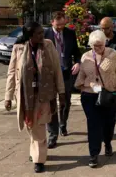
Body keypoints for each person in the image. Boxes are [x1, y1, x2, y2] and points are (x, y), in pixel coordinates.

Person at [5, 22, 65, 173]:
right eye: (38, 33)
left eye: (41, 32)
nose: (41, 35)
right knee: (31, 126)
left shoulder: (48, 45)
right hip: (26, 97)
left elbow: (56, 68)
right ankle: (36, 151)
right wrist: (8, 96)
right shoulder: (18, 49)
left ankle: (39, 160)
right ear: (29, 36)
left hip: (44, 95)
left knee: (39, 127)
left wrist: (61, 92)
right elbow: (12, 73)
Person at [74, 30, 116, 167]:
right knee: (93, 124)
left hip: (109, 95)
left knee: (108, 123)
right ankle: (94, 154)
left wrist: (115, 90)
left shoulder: (113, 55)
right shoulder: (85, 56)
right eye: (94, 46)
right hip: (89, 96)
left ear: (105, 43)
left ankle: (108, 142)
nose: (97, 48)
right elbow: (80, 79)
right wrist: (86, 86)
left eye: (100, 45)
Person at [44, 11, 81, 148]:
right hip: (50, 74)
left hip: (66, 72)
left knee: (65, 100)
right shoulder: (44, 35)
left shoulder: (70, 33)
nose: (60, 27)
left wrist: (78, 62)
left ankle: (63, 123)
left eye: (63, 24)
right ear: (52, 22)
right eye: (58, 25)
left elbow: (76, 52)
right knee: (51, 102)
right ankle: (53, 134)